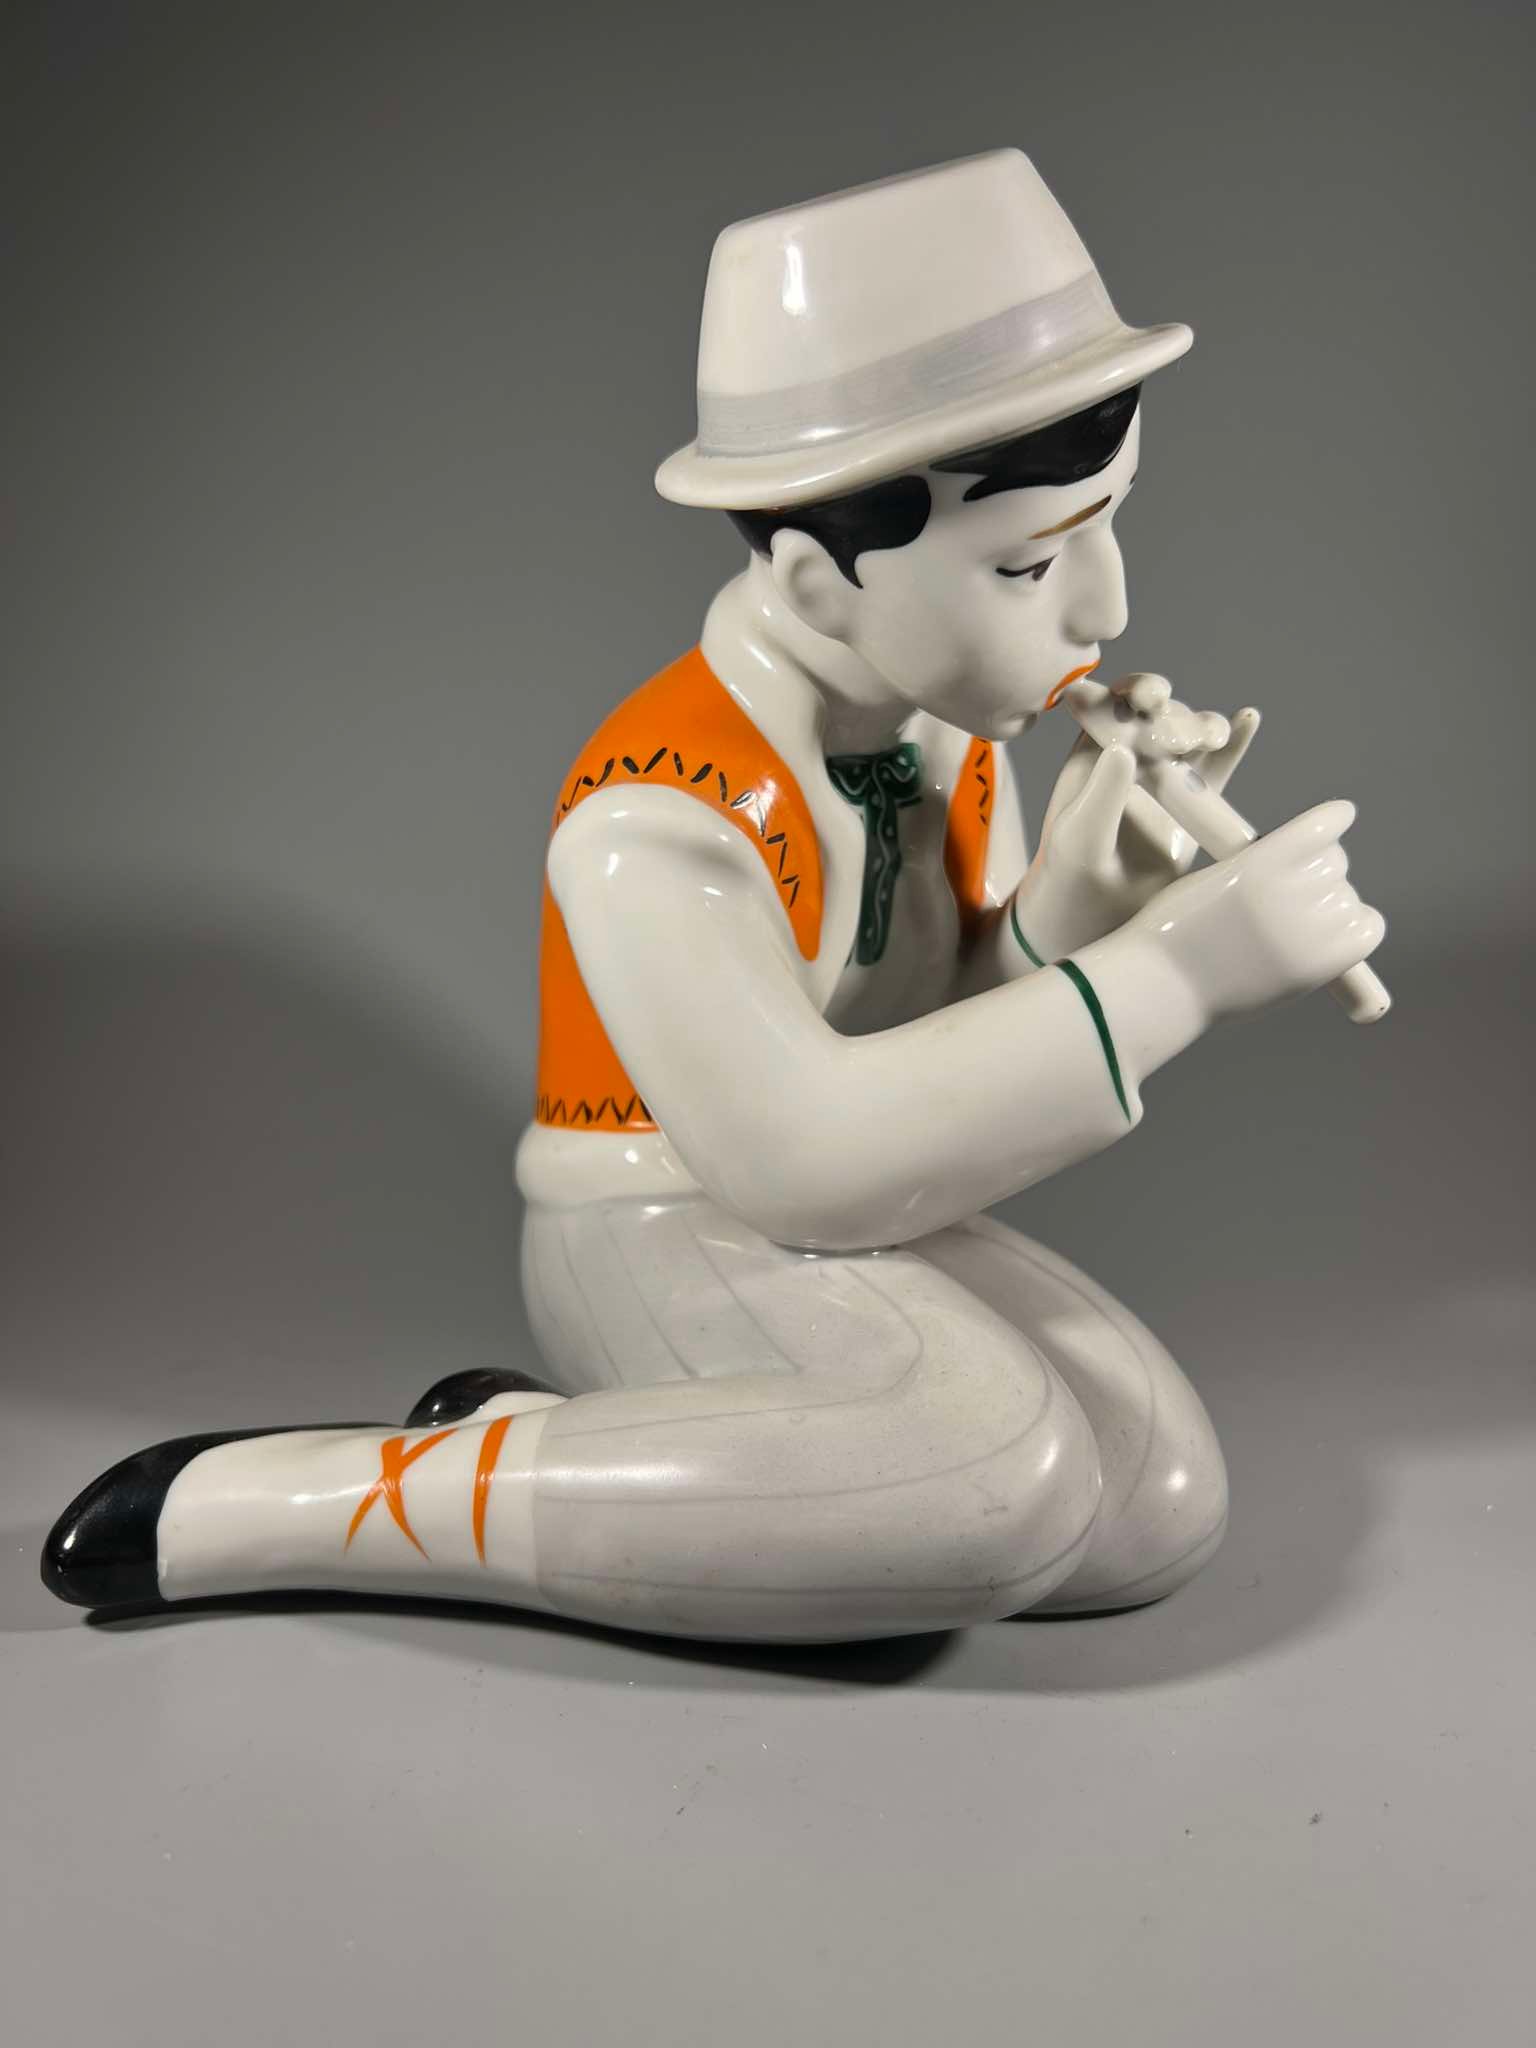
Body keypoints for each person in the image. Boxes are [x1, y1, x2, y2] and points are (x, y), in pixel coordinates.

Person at [42, 149, 1384, 1642]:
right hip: (656, 1221)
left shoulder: (950, 734)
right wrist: (1177, 976)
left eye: (1112, 518)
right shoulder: (655, 812)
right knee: (1000, 1477)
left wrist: (1077, 906)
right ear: (817, 586)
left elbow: (935, 1066)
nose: (1109, 607)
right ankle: (293, 1500)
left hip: (846, 1220)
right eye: (1026, 566)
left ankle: (578, 1451)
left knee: (1151, 1496)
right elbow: (805, 1162)